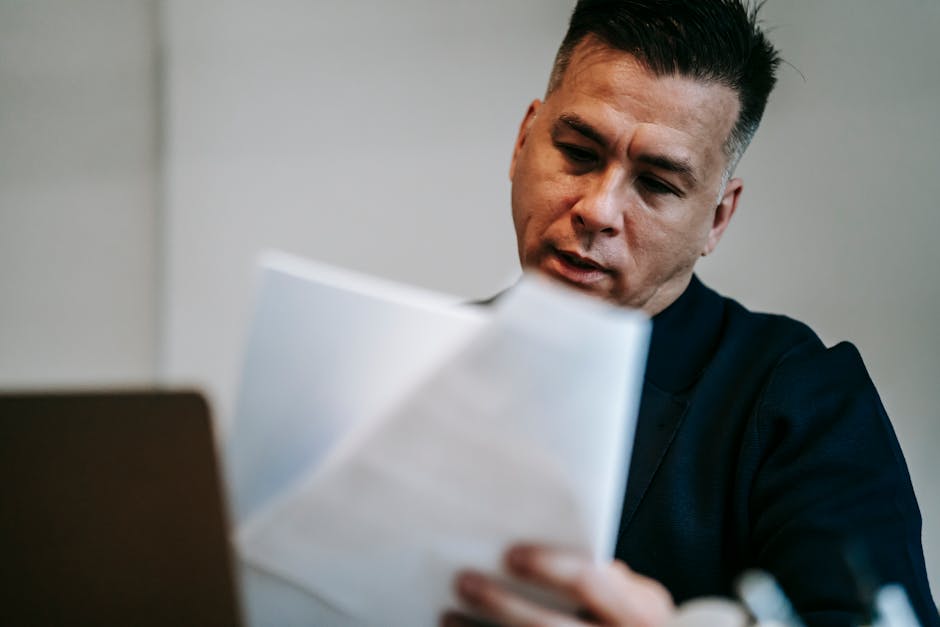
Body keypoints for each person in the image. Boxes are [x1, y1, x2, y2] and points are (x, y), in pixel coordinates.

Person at [442, 1, 938, 626]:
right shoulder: (413, 353)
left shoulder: (803, 400)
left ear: (717, 218)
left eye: (657, 184)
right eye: (578, 152)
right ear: (523, 143)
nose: (598, 210)